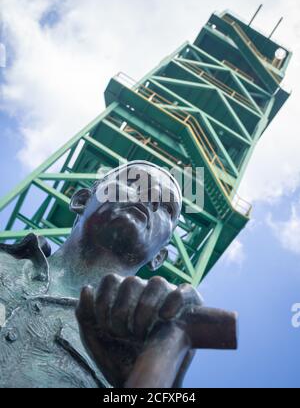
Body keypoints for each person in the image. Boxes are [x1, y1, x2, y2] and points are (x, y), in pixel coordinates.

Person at [0, 161, 204, 388]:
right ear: (82, 201)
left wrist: (153, 370)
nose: (152, 197)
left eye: (166, 207)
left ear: (159, 257)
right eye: (134, 181)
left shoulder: (136, 351)